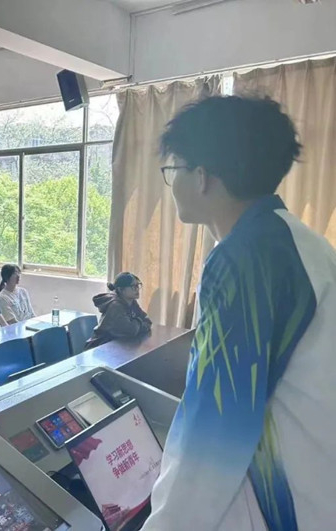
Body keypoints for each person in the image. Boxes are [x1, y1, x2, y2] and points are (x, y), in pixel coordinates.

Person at [142, 96, 336, 530]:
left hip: (286, 507)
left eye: (174, 169)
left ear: (202, 176)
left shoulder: (246, 259)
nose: (171, 183)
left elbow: (215, 431)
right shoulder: (304, 244)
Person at [85, 272, 151, 349]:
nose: (137, 289)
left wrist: (137, 324)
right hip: (100, 346)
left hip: (116, 345)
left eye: (138, 285)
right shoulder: (115, 306)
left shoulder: (132, 302)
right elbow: (131, 330)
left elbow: (147, 320)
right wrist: (140, 323)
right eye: (133, 286)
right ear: (120, 289)